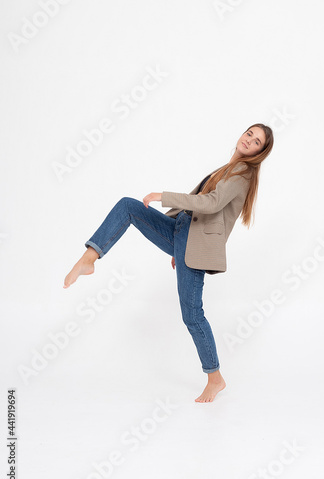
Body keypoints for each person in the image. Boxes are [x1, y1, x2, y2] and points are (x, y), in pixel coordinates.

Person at [63, 123, 274, 403]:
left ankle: (215, 378)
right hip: (181, 232)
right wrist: (178, 244)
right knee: (128, 206)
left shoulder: (243, 174)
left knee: (192, 316)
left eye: (257, 141)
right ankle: (90, 257)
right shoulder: (229, 167)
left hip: (192, 244)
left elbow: (210, 204)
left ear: (260, 152)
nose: (249, 140)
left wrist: (164, 196)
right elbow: (200, 211)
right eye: (249, 133)